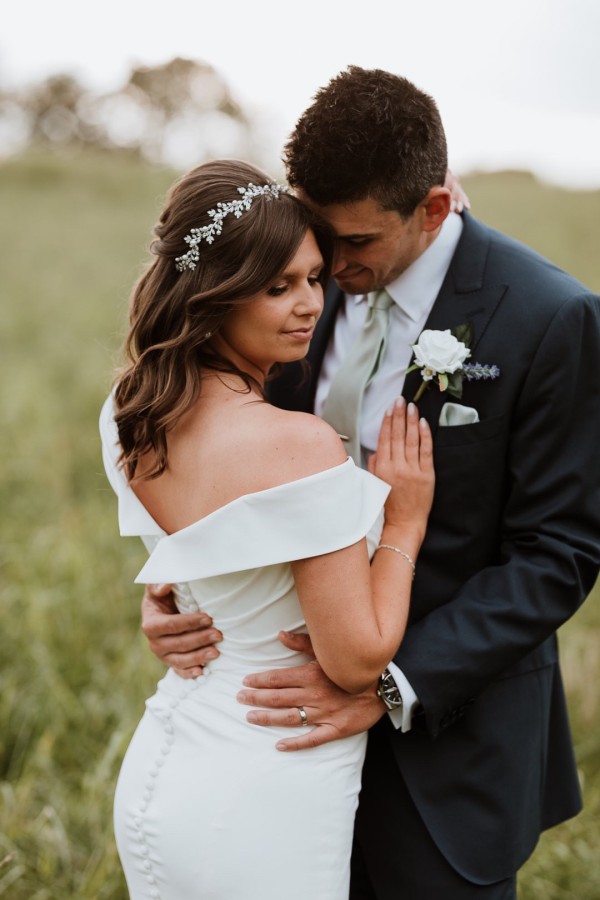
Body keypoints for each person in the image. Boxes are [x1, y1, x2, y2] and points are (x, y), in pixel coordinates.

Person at [141, 68, 600, 899]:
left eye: (354, 246)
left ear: (433, 208)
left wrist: (391, 684)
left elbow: (559, 551)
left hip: (448, 749)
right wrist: (183, 584)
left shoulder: (551, 317)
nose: (327, 270)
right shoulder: (288, 293)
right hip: (277, 742)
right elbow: (237, 466)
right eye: (318, 239)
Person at [100, 157, 436, 898]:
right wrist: (404, 521)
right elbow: (354, 661)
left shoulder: (130, 412)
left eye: (314, 277)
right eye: (277, 286)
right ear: (213, 292)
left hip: (169, 758)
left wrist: (173, 594)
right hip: (267, 780)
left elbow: (199, 556)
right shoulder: (298, 444)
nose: (308, 304)